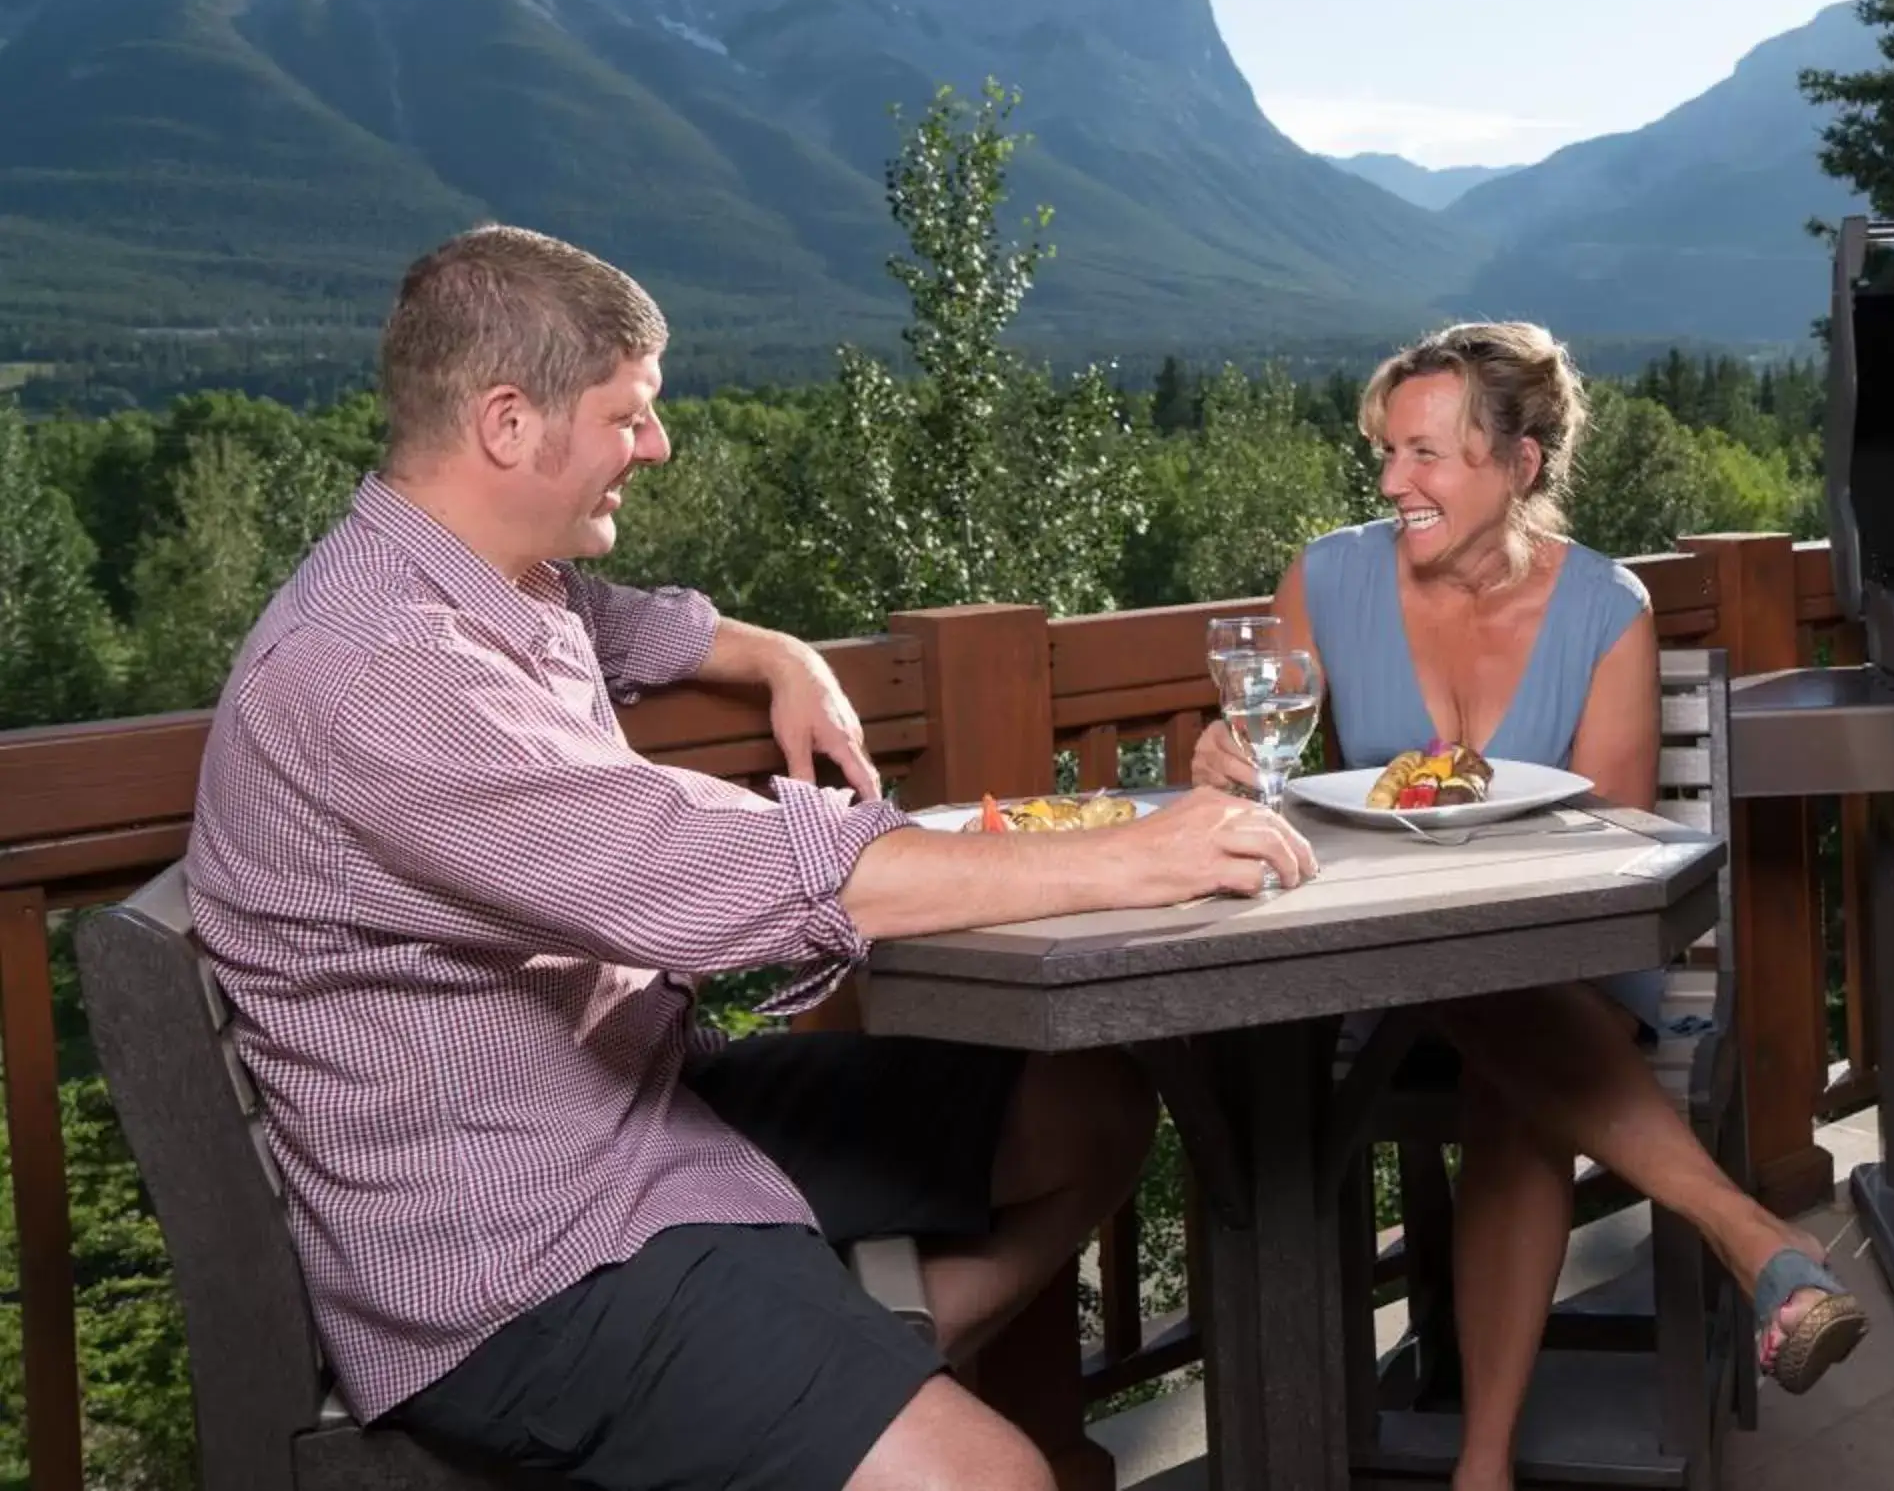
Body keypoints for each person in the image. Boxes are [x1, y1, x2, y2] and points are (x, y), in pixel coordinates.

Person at [187, 225, 1315, 1491]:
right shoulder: (377, 667)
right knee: (988, 1482)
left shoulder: (490, 585)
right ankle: (864, 1412)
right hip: (519, 1248)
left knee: (1085, 1104)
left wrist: (778, 651)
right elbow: (703, 869)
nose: (657, 446)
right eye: (631, 415)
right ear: (508, 422)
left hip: (648, 1114)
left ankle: (874, 1370)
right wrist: (1120, 854)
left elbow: (640, 628)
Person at [1191, 321, 1864, 1491]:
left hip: (1565, 962)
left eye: (1428, 455)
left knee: (1513, 1047)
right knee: (1489, 1019)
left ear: (1521, 463)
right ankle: (1748, 1233)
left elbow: (1613, 854)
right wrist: (1222, 759)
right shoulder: (1329, 576)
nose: (1394, 481)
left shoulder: (1605, 606)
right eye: (1388, 453)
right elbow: (1275, 774)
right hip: (1390, 956)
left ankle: (1481, 1465)